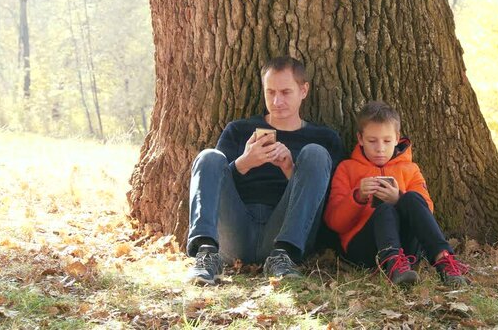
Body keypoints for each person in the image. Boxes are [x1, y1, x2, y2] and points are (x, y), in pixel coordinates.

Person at [186, 56, 344, 285]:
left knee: (316, 153)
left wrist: (291, 170)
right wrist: (244, 163)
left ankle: (283, 257)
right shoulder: (239, 131)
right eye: (270, 92)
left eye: (285, 92)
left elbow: (327, 202)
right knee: (208, 157)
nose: (277, 101)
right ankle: (206, 256)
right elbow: (215, 185)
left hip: (286, 235)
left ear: (304, 90)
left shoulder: (325, 138)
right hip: (236, 232)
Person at [324, 101, 469, 287]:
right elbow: (335, 222)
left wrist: (399, 199)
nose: (380, 148)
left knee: (411, 198)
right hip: (365, 248)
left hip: (407, 249)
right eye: (372, 141)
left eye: (386, 141)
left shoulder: (410, 169)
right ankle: (393, 265)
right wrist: (358, 197)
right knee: (384, 209)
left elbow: (426, 211)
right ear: (360, 139)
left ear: (397, 138)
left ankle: (445, 261)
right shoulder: (347, 169)